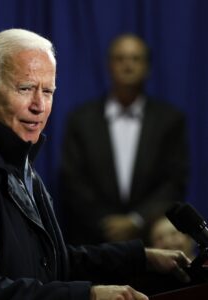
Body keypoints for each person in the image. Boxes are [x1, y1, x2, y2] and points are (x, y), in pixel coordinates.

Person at [0, 29, 191, 300]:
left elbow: (50, 263)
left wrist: (141, 258)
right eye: (26, 88)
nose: (39, 105)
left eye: (48, 91)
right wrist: (87, 295)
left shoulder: (16, 161)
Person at [60, 33, 189, 245]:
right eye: (120, 58)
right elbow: (72, 180)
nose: (128, 65)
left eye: (135, 58)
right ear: (109, 65)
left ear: (147, 67)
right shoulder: (81, 119)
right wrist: (106, 223)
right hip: (92, 242)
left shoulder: (170, 120)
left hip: (150, 240)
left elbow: (175, 181)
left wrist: (136, 221)